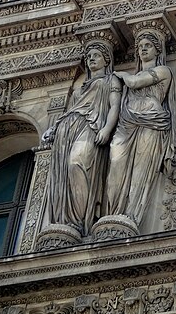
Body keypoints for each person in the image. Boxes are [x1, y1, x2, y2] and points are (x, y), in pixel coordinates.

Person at [44, 41, 122, 237]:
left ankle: (80, 219)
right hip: (68, 128)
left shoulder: (110, 81)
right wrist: (53, 128)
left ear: (106, 59)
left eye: (96, 55)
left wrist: (106, 128)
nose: (91, 59)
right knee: (63, 175)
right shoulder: (80, 87)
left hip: (91, 126)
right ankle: (67, 222)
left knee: (76, 163)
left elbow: (115, 107)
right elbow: (70, 110)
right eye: (89, 57)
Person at [106, 30, 174, 227]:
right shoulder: (131, 75)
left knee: (140, 171)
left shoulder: (163, 71)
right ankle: (113, 212)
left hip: (150, 122)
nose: (143, 49)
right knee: (115, 165)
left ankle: (131, 216)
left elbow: (136, 82)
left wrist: (118, 74)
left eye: (148, 46)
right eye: (140, 46)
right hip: (126, 123)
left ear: (157, 50)